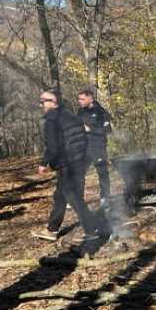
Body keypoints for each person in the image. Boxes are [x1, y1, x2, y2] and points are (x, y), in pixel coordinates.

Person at [32, 90, 100, 242]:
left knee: (73, 197)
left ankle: (92, 230)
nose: (41, 105)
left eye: (43, 102)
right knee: (60, 196)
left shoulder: (52, 120)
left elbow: (53, 147)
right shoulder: (70, 115)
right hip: (79, 161)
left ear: (53, 102)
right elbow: (84, 137)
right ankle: (52, 229)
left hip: (67, 164)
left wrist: (43, 163)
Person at [77, 89, 112, 205]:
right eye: (79, 99)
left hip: (98, 147)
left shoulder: (101, 112)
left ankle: (105, 198)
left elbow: (107, 131)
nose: (79, 101)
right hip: (83, 148)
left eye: (82, 99)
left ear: (90, 98)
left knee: (102, 173)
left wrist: (90, 130)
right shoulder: (80, 111)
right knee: (79, 173)